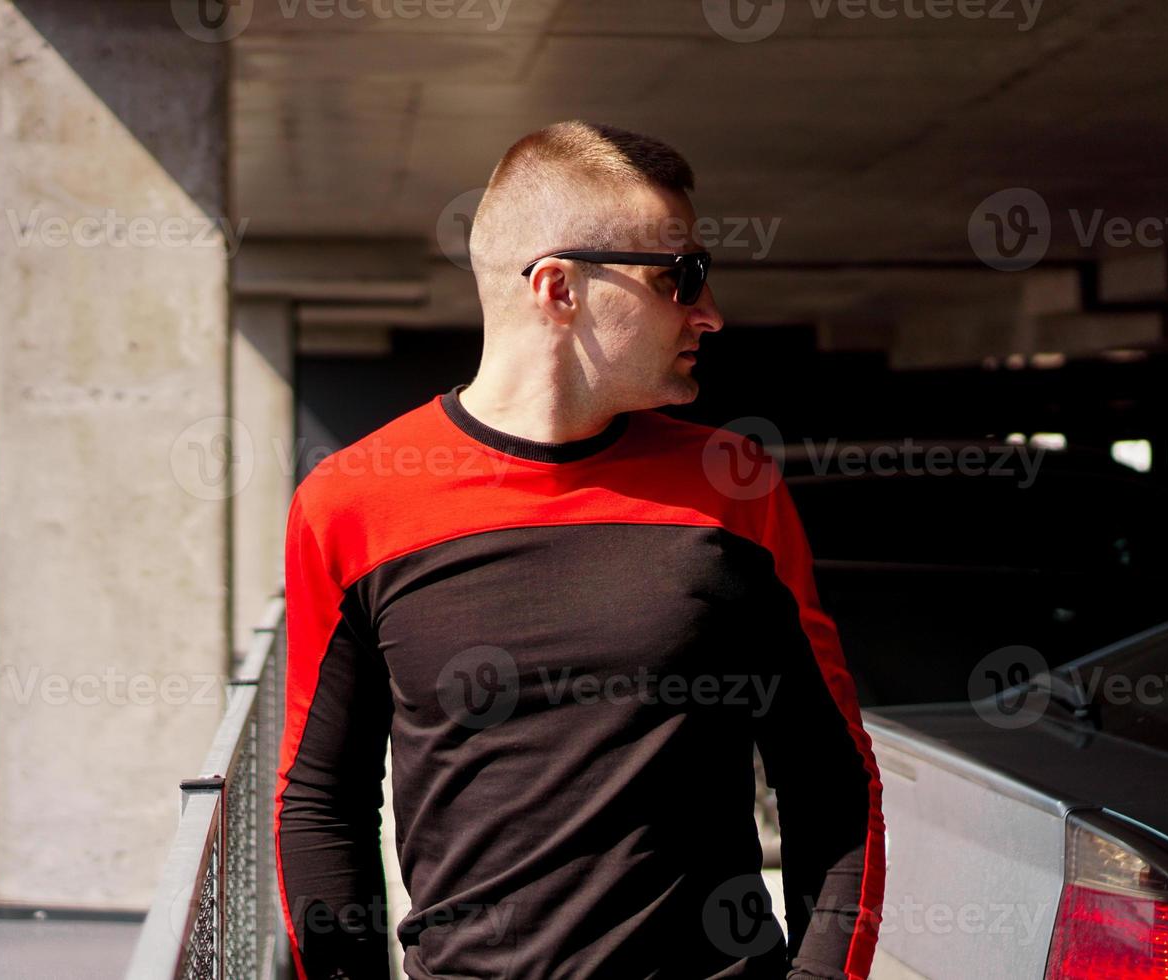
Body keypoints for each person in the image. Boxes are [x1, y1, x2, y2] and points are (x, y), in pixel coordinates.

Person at [276, 120, 884, 980]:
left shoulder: (732, 485)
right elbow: (321, 802)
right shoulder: (352, 500)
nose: (709, 312)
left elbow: (832, 780)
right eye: (680, 278)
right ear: (558, 288)